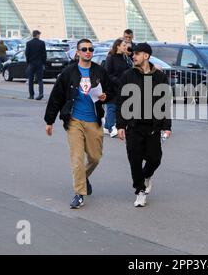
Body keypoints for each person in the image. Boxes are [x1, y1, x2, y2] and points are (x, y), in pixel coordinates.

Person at [44, 39, 114, 209]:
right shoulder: (69, 72)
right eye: (84, 49)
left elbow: (112, 91)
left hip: (94, 120)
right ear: (78, 52)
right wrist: (49, 120)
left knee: (95, 158)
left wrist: (106, 96)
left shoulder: (99, 71)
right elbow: (56, 97)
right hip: (74, 120)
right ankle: (79, 194)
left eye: (90, 49)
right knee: (77, 158)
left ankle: (83, 177)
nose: (88, 52)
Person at [117, 43, 172, 208]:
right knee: (134, 160)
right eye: (133, 54)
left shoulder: (160, 77)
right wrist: (120, 125)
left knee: (155, 159)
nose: (134, 56)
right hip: (133, 127)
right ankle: (140, 191)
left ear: (146, 56)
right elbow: (121, 102)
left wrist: (167, 126)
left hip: (153, 127)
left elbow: (165, 104)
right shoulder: (128, 75)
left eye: (138, 54)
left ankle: (146, 176)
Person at [104, 38, 132, 137]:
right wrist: (118, 81)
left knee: (118, 106)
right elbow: (108, 73)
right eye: (124, 45)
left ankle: (107, 126)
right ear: (118, 46)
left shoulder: (125, 57)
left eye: (126, 45)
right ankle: (112, 128)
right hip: (112, 86)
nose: (126, 47)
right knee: (112, 107)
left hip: (122, 86)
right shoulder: (110, 57)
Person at [25, 30, 46, 100]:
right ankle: (41, 93)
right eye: (39, 35)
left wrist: (28, 62)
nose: (39, 36)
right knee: (40, 79)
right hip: (39, 63)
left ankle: (31, 95)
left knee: (30, 79)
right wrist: (43, 63)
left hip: (31, 63)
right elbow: (44, 54)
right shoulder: (42, 43)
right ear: (37, 35)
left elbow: (27, 54)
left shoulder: (29, 43)